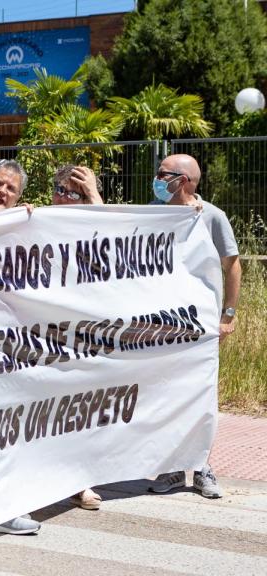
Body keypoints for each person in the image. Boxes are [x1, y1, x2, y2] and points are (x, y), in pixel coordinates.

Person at [148, 153, 241, 500]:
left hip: (200, 326)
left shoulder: (212, 216)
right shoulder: (152, 213)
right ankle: (173, 468)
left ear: (183, 180)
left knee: (201, 395)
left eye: (163, 173)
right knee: (169, 395)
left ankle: (202, 468)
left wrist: (227, 314)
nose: (156, 178)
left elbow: (232, 265)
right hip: (161, 326)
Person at [46, 164, 104, 511]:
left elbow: (117, 241)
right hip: (41, 335)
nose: (62, 197)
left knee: (79, 409)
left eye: (73, 193)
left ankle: (78, 481)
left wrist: (94, 196)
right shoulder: (35, 220)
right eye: (59, 189)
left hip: (81, 335)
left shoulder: (88, 226)